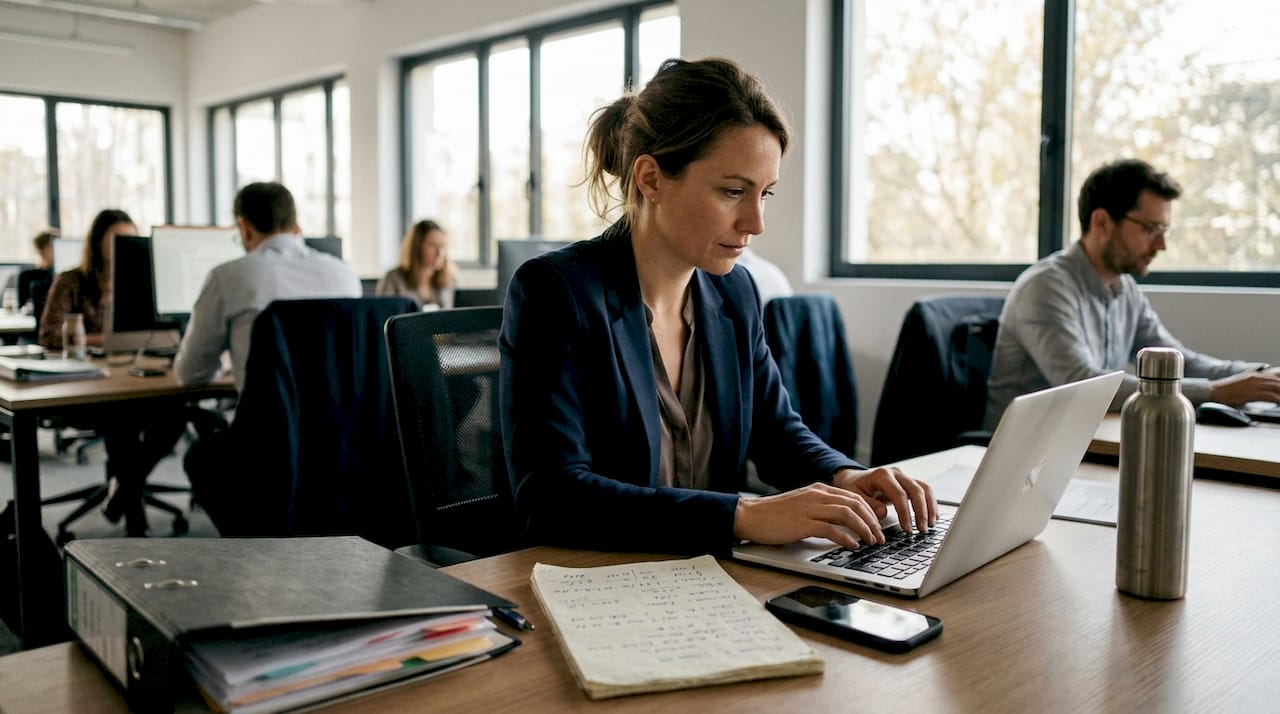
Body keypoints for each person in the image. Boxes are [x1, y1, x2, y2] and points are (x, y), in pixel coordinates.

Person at [499, 57, 937, 556]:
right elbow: (551, 498)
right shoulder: (557, 292)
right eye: (733, 192)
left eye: (764, 194)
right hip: (601, 579)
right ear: (651, 179)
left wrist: (846, 475)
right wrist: (743, 515)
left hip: (714, 580)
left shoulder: (735, 294)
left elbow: (776, 431)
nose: (756, 222)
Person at [984, 158, 1280, 429]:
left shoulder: (1124, 289)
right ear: (1102, 222)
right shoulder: (1045, 287)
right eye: (1151, 229)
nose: (1161, 245)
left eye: (1164, 231)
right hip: (1025, 455)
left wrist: (1261, 375)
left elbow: (1177, 361)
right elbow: (1083, 386)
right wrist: (1216, 392)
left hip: (1086, 440)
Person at [38, 209, 187, 535]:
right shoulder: (72, 281)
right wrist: (100, 339)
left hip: (137, 376)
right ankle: (136, 522)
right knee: (123, 420)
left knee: (177, 413)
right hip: (89, 388)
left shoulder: (145, 283)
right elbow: (48, 334)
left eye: (131, 238)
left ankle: (123, 487)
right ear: (97, 243)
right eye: (117, 238)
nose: (125, 245)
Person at [174, 181, 362, 393]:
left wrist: (226, 362)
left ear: (244, 228)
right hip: (342, 424)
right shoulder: (344, 274)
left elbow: (190, 374)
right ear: (294, 226)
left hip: (267, 424)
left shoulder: (226, 277)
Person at [376, 219, 456, 310]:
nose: (439, 253)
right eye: (433, 245)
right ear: (417, 247)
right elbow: (383, 317)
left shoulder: (448, 281)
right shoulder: (393, 279)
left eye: (442, 246)